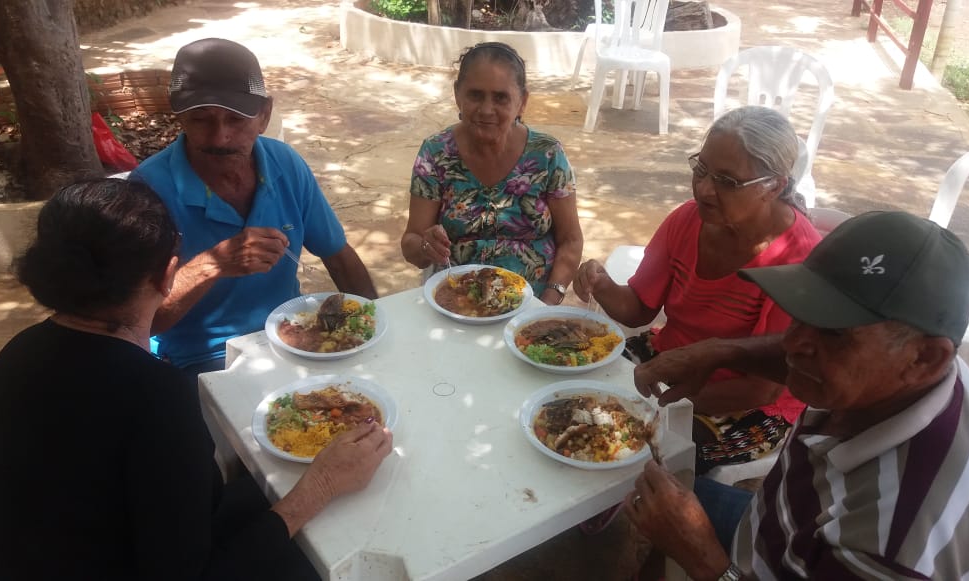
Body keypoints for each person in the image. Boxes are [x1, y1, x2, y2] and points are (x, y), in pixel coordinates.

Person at [0, 179, 394, 580]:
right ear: (168, 274)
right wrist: (321, 486)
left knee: (257, 490)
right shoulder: (154, 395)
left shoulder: (19, 351)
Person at [625, 210, 969, 579]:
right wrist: (722, 352)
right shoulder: (916, 371)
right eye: (800, 314)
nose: (794, 344)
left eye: (834, 333)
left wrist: (700, 556)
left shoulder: (891, 543)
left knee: (662, 520)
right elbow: (813, 350)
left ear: (926, 358)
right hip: (774, 523)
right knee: (647, 499)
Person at [573, 106, 822, 474]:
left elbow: (761, 388)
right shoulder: (687, 220)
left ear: (775, 186)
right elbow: (639, 308)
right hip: (668, 361)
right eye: (701, 169)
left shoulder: (798, 260)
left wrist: (657, 404)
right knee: (570, 384)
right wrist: (602, 282)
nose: (704, 189)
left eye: (727, 181)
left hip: (745, 404)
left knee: (642, 452)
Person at [130, 38, 377, 377]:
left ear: (265, 115)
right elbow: (139, 322)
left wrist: (375, 325)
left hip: (293, 336)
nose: (220, 138)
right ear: (181, 118)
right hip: (201, 361)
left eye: (236, 119)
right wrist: (213, 265)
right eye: (201, 120)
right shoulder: (146, 190)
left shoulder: (285, 164)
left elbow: (338, 256)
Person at [400, 41, 583, 304]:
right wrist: (426, 247)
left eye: (501, 97)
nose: (486, 109)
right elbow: (411, 243)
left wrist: (547, 303)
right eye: (475, 95)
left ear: (522, 102)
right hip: (456, 303)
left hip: (532, 302)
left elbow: (571, 240)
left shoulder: (547, 154)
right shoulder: (436, 153)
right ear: (457, 95)